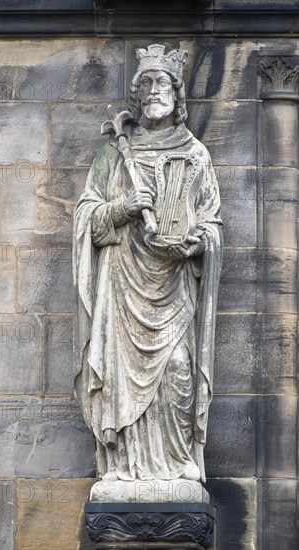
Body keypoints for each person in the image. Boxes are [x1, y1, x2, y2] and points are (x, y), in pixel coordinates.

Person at [73, 44, 223, 487]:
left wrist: (197, 243)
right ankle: (124, 467)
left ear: (178, 95)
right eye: (146, 84)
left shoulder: (195, 155)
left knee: (177, 369)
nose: (154, 91)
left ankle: (176, 463)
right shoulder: (113, 155)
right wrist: (123, 207)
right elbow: (86, 216)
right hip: (122, 286)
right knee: (121, 380)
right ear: (137, 96)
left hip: (173, 285)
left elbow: (212, 221)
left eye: (163, 83)